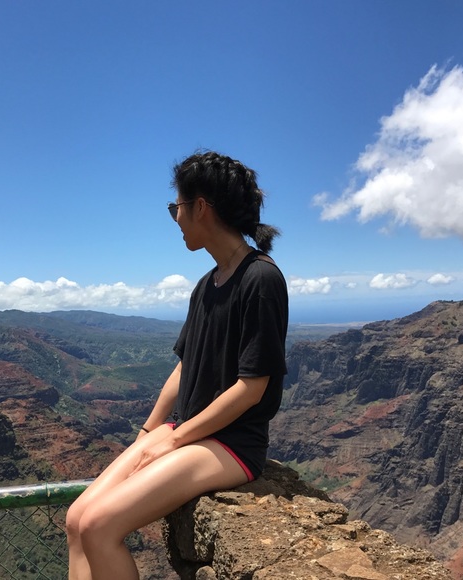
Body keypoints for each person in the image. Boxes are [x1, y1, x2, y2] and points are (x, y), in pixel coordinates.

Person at [66, 151, 289, 580]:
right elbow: (185, 367)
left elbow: (251, 388)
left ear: (200, 207)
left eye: (176, 208)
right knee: (77, 519)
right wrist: (149, 432)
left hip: (232, 443)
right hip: (186, 432)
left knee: (99, 527)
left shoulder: (261, 279)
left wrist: (174, 440)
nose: (176, 219)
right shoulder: (207, 284)